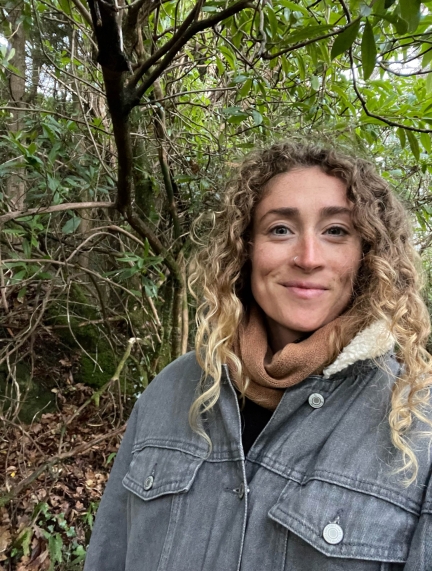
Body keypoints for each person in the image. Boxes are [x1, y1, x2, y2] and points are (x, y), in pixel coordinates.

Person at [84, 142, 432, 571]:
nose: (307, 257)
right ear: (246, 248)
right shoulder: (170, 391)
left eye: (336, 231)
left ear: (368, 253)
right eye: (281, 229)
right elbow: (109, 553)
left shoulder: (419, 426)